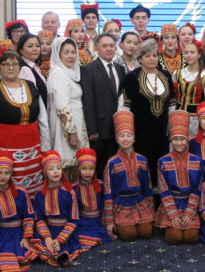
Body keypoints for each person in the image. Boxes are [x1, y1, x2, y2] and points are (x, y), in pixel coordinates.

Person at [0, 50, 51, 198]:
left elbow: (42, 118)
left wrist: (45, 145)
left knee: (31, 183)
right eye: (6, 64)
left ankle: (30, 209)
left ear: (20, 67)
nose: (11, 68)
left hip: (31, 144)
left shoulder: (31, 86)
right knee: (5, 183)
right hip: (3, 145)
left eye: (15, 64)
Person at [118, 39, 174, 180]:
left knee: (161, 162)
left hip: (161, 131)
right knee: (141, 164)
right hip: (140, 131)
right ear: (140, 58)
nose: (152, 59)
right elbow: (125, 106)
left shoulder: (166, 75)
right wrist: (126, 131)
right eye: (147, 56)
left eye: (155, 55)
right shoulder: (132, 77)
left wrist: (171, 127)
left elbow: (172, 103)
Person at [0, 152, 40, 272]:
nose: (3, 176)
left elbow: (29, 217)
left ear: (11, 174)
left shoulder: (21, 192)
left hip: (19, 232)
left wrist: (26, 238)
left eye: (7, 173)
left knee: (33, 251)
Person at [102, 111, 155, 242]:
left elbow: (147, 188)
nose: (125, 139)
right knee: (129, 235)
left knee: (146, 233)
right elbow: (108, 192)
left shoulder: (142, 160)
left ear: (134, 138)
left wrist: (152, 211)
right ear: (117, 139)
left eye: (129, 135)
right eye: (122, 136)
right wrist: (109, 221)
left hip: (140, 202)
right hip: (121, 204)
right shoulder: (112, 163)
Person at [156, 111, 203, 245]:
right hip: (171, 204)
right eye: (175, 139)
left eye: (182, 139)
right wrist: (173, 214)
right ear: (171, 140)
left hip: (190, 203)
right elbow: (163, 189)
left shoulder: (197, 161)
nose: (179, 143)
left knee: (190, 238)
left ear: (187, 140)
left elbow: (197, 188)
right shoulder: (163, 161)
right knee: (174, 238)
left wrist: (189, 212)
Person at [82, 34, 125, 175]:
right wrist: (92, 129)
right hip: (99, 129)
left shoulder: (120, 68)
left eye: (112, 45)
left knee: (115, 166)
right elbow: (88, 101)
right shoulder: (89, 69)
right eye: (105, 46)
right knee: (100, 168)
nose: (109, 49)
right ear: (97, 48)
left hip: (116, 127)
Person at [47, 37, 89, 171]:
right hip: (66, 128)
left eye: (73, 52)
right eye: (66, 52)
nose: (71, 56)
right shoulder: (59, 74)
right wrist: (71, 133)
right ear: (58, 55)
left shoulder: (68, 73)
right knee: (69, 161)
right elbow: (62, 107)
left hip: (75, 122)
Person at [174, 40, 205, 138]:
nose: (189, 55)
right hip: (178, 120)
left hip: (196, 122)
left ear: (199, 54)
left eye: (192, 52)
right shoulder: (177, 74)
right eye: (186, 52)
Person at [72, 148, 111, 251]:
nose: (88, 172)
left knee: (101, 234)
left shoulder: (101, 185)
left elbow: (104, 205)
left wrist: (106, 222)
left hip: (98, 221)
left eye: (91, 169)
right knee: (77, 236)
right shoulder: (74, 188)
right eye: (84, 169)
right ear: (79, 169)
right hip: (83, 221)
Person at [17, 33, 49, 107]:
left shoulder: (35, 67)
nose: (35, 49)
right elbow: (31, 96)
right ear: (21, 50)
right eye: (30, 46)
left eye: (37, 46)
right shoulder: (24, 69)